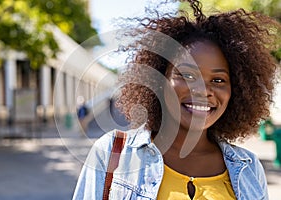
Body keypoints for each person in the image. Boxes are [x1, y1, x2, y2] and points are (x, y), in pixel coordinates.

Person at [72, 0, 280, 199]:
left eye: (218, 79)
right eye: (187, 75)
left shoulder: (249, 168)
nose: (202, 90)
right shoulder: (111, 154)